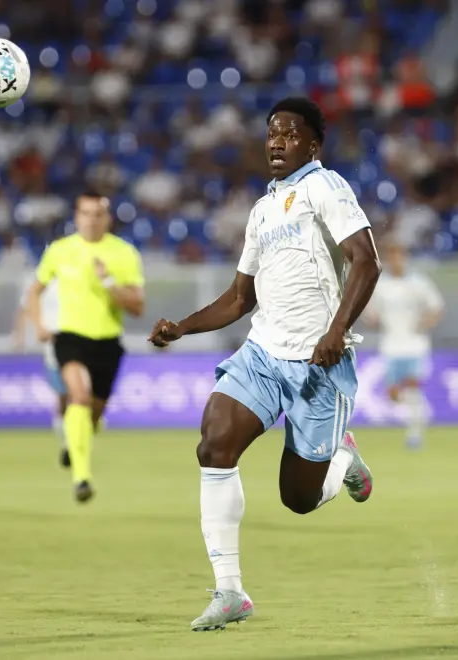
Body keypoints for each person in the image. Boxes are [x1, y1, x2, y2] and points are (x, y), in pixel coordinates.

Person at [148, 97, 380, 632]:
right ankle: (229, 591)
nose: (277, 142)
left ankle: (343, 461)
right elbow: (238, 300)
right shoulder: (261, 211)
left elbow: (366, 262)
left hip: (319, 364)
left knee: (298, 499)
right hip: (262, 354)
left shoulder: (326, 188)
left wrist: (336, 330)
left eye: (290, 134)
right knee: (214, 443)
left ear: (313, 144)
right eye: (271, 133)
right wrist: (182, 327)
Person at [25, 192, 145, 503]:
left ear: (107, 218)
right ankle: (82, 478)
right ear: (76, 217)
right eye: (86, 213)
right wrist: (38, 324)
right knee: (78, 395)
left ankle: (72, 444)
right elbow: (34, 291)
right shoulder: (60, 251)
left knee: (92, 418)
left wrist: (108, 284)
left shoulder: (124, 253)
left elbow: (137, 307)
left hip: (107, 342)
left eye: (98, 214)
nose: (91, 220)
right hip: (70, 337)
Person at [364, 239, 444, 449]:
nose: (395, 261)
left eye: (399, 256)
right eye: (391, 257)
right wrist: (371, 320)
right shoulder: (381, 286)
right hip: (391, 346)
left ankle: (415, 435)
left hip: (415, 346)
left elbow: (436, 308)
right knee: (393, 394)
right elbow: (371, 314)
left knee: (413, 388)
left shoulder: (418, 283)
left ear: (405, 258)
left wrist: (427, 322)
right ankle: (419, 413)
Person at [13, 275, 69, 466]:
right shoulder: (40, 279)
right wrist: (20, 335)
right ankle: (66, 440)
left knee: (79, 392)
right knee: (64, 396)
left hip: (79, 339)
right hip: (52, 344)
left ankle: (75, 439)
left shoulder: (79, 273)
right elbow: (25, 306)